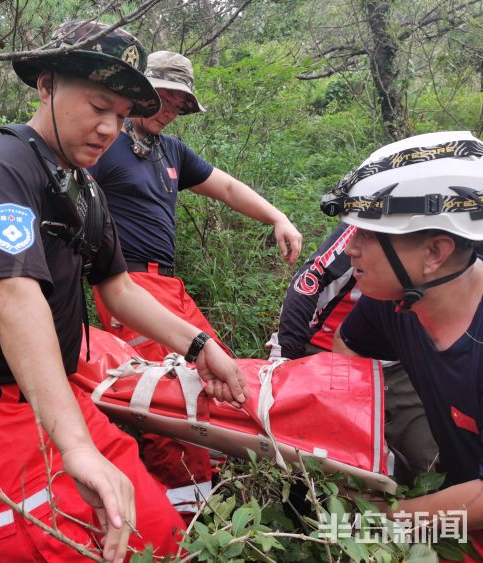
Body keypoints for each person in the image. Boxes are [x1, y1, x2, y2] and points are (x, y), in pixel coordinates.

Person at [0, 21, 249, 563]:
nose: (110, 127)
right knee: (50, 546)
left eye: (121, 114)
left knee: (154, 531)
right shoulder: (3, 164)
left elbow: (118, 288)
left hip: (50, 391)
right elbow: (15, 296)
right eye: (97, 106)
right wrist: (76, 447)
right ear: (46, 85)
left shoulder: (83, 185)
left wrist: (203, 348)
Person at [88, 50, 303, 508]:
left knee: (219, 373)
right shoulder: (106, 143)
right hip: (129, 285)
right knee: (168, 392)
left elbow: (225, 186)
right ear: (139, 93)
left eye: (178, 102)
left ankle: (217, 483)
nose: (168, 109)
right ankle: (187, 511)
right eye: (162, 96)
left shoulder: (171, 151)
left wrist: (277, 217)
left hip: (170, 285)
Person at [327, 130, 483, 553]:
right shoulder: (394, 300)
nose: (351, 249)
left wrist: (386, 520)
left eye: (369, 235)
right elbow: (349, 344)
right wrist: (357, 438)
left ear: (435, 252)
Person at [267, 223, 439, 484]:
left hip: (402, 357)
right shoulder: (368, 221)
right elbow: (310, 282)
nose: (353, 248)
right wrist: (284, 358)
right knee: (325, 456)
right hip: (328, 349)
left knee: (427, 459)